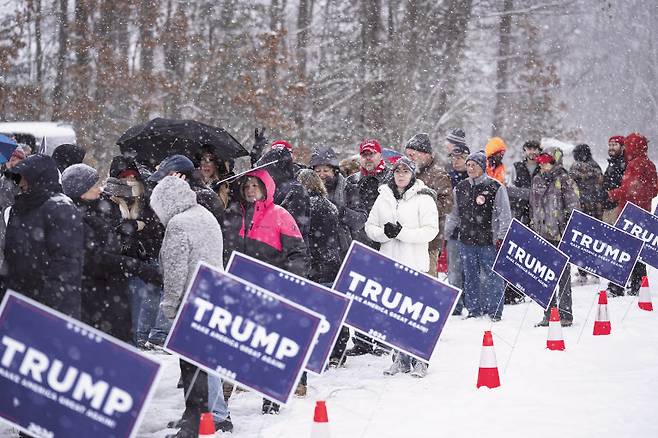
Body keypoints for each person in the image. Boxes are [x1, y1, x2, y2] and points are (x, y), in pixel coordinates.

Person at [150, 175, 230, 436]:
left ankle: (194, 422)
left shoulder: (178, 224)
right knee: (203, 363)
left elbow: (175, 271)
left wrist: (171, 306)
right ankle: (197, 416)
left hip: (190, 300)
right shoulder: (204, 215)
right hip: (212, 295)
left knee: (191, 366)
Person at [222, 169, 308, 414]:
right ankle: (223, 396)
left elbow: (299, 254)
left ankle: (270, 398)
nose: (250, 189)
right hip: (237, 290)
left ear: (266, 188)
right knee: (232, 343)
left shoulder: (280, 214)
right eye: (246, 185)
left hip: (271, 292)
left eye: (255, 185)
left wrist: (287, 284)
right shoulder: (233, 214)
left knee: (267, 347)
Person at [62, 164, 160, 342]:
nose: (100, 190)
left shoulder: (92, 211)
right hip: (95, 300)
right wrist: (137, 267)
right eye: (94, 186)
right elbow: (96, 259)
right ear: (82, 191)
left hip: (106, 295)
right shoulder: (77, 218)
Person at [365, 157, 438, 377]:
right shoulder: (383, 197)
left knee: (415, 315)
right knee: (395, 315)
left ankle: (420, 360)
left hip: (414, 264)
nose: (401, 175)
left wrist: (402, 233)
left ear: (413, 174)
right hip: (390, 264)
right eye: (397, 171)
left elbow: (430, 230)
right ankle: (399, 359)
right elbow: (370, 226)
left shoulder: (423, 198)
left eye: (405, 171)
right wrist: (384, 234)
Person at [1, 154, 83, 317]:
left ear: (37, 176)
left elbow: (65, 261)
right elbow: (12, 254)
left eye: (23, 175)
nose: (19, 181)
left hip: (47, 303)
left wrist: (49, 304)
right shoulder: (20, 206)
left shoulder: (60, 207)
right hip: (18, 297)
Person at [445, 151, 511, 321]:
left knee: (492, 276)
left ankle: (495, 311)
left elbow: (504, 215)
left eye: (474, 164)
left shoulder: (495, 187)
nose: (470, 168)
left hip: (489, 240)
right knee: (470, 276)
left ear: (483, 167)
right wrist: (445, 235)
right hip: (466, 240)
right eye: (468, 165)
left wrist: (502, 237)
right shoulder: (460, 188)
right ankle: (474, 310)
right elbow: (454, 215)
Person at [109, 155, 166, 348]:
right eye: (125, 178)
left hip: (144, 266)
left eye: (133, 177)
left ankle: (138, 342)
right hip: (120, 267)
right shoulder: (110, 202)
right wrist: (132, 224)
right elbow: (115, 229)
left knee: (140, 319)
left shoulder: (147, 204)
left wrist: (137, 225)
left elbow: (156, 228)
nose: (129, 182)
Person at [344, 139, 392, 357]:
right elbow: (346, 209)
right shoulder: (352, 181)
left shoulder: (392, 177)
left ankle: (383, 339)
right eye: (364, 154)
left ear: (380, 156)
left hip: (386, 241)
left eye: (372, 154)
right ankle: (363, 340)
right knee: (362, 292)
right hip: (361, 240)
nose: (368, 158)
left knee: (384, 292)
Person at [530, 147, 580, 326]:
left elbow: (574, 208)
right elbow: (533, 206)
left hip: (560, 235)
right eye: (541, 162)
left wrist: (568, 230)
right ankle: (549, 313)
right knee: (545, 276)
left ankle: (565, 314)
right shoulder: (536, 180)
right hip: (542, 234)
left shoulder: (565, 179)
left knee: (563, 276)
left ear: (555, 162)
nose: (543, 165)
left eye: (547, 162)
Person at [608, 133, 658, 295]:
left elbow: (629, 189)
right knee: (638, 251)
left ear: (633, 147)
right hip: (643, 213)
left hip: (628, 212)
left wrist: (612, 194)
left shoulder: (634, 164)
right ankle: (638, 286)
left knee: (622, 250)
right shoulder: (650, 164)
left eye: (628, 146)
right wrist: (644, 199)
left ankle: (616, 287)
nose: (626, 149)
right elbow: (655, 189)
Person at [404, 133, 453, 277]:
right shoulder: (408, 172)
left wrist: (422, 208)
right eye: (408, 155)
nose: (410, 159)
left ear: (426, 154)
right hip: (407, 239)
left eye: (412, 155)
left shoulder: (439, 174)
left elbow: (448, 204)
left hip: (429, 242)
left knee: (427, 283)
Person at [504, 140, 542, 304]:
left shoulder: (544, 167)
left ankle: (535, 288)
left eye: (535, 149)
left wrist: (528, 194)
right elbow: (509, 189)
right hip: (519, 214)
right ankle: (515, 291)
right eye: (529, 149)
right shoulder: (516, 167)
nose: (532, 152)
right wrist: (531, 194)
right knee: (518, 254)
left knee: (536, 255)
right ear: (524, 151)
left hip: (539, 217)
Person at [149, 154, 224, 225]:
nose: (162, 184)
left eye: (164, 178)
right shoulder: (197, 193)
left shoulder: (201, 197)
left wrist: (173, 199)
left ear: (176, 175)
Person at [255, 146, 311, 241]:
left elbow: (294, 228)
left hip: (289, 249)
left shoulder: (295, 190)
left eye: (267, 169)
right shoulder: (271, 188)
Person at [569, 143, 605, 285]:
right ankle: (595, 272)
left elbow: (570, 188)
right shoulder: (596, 166)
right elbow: (601, 186)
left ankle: (582, 273)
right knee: (594, 242)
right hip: (596, 210)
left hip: (581, 209)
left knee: (580, 242)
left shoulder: (574, 167)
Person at [446, 143, 470, 314]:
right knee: (454, 271)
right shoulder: (447, 177)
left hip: (474, 231)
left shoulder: (474, 176)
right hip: (453, 231)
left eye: (460, 157)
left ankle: (472, 302)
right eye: (453, 157)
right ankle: (456, 305)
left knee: (471, 271)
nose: (455, 161)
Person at [601, 136, 627, 297]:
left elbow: (625, 187)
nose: (611, 147)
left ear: (622, 146)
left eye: (615, 144)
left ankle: (617, 285)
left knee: (618, 247)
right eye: (610, 144)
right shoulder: (612, 162)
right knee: (611, 246)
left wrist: (611, 194)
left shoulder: (624, 163)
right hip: (609, 207)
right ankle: (615, 283)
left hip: (618, 207)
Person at [0, 146, 26, 269]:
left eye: (15, 159)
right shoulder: (3, 180)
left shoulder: (26, 180)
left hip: (19, 227)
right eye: (9, 159)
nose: (11, 162)